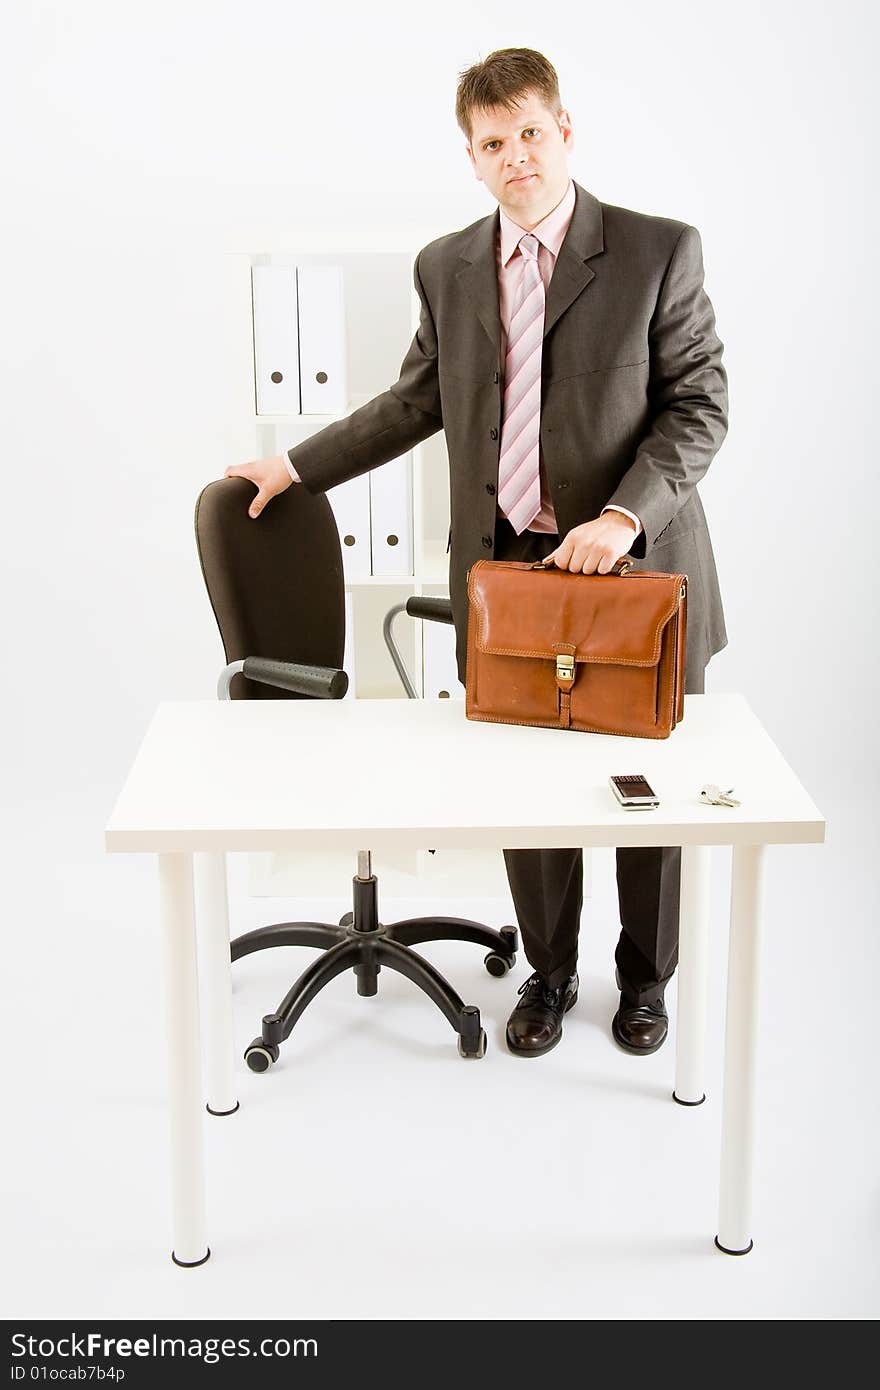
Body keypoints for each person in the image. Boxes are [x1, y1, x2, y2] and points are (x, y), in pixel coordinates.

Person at [224, 47, 729, 1060]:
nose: (515, 157)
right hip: (511, 584)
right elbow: (414, 401)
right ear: (472, 156)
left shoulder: (657, 251)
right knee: (528, 789)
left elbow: (699, 404)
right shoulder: (447, 265)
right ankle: (547, 968)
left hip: (636, 576)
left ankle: (645, 980)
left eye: (530, 133)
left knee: (646, 796)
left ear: (565, 132)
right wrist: (296, 465)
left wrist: (621, 517)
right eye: (491, 143)